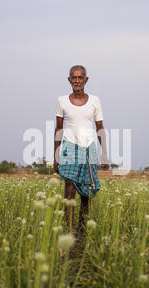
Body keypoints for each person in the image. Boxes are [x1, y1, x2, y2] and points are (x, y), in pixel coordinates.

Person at [54, 65, 109, 238]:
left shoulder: (95, 101)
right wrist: (56, 155)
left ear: (86, 80)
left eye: (80, 77)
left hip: (89, 147)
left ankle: (82, 228)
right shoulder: (62, 101)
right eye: (73, 77)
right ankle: (69, 230)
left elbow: (100, 127)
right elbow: (59, 129)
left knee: (86, 191)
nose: (77, 80)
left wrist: (104, 153)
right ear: (69, 80)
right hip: (70, 146)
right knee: (69, 186)